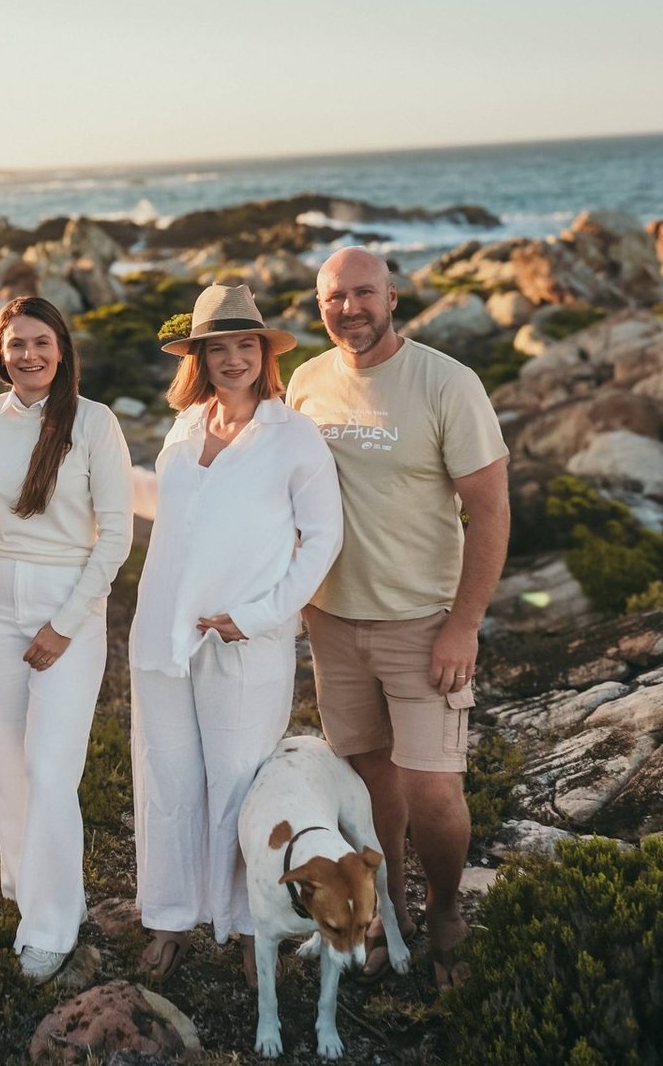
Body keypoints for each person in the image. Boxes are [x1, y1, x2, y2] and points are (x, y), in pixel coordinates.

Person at [287, 245, 509, 990]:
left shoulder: (447, 382)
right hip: (332, 622)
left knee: (432, 788)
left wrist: (464, 623)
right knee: (368, 781)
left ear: (391, 295)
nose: (348, 308)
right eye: (332, 297)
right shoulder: (305, 382)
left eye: (362, 293)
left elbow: (490, 509)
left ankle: (445, 911)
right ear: (318, 305)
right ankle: (390, 911)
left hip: (423, 623)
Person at [126, 284, 342, 988]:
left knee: (242, 787)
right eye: (218, 348)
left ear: (263, 353)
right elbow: (170, 507)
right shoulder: (186, 428)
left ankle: (252, 929)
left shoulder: (292, 434)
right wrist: (92, 475)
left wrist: (254, 615)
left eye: (245, 345)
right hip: (165, 632)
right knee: (167, 778)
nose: (233, 358)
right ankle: (168, 918)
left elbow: (323, 539)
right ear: (200, 358)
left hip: (246, 642)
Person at [0, 296, 133, 982]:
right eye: (16, 343)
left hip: (66, 603)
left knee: (52, 768)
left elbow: (116, 536)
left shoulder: (96, 422)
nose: (29, 354)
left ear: (62, 348)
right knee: (10, 756)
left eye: (41, 342)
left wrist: (64, 623)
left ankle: (52, 925)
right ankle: (26, 881)